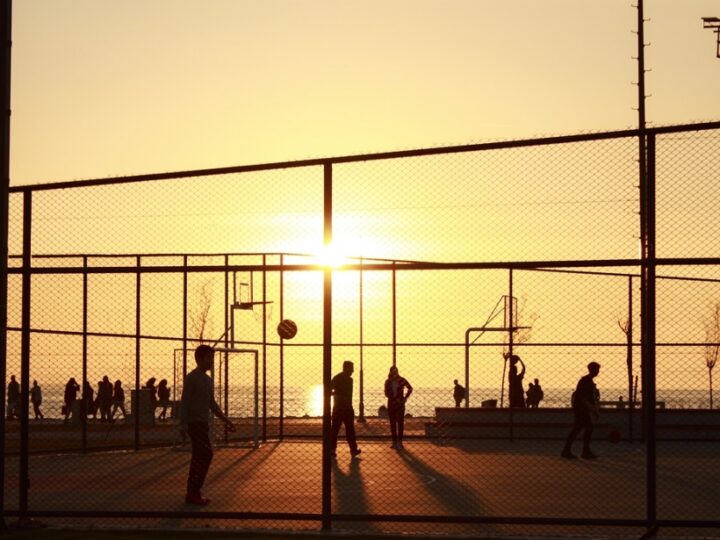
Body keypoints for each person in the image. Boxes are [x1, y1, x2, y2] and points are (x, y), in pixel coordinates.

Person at [180, 345, 236, 505]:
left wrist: (226, 420)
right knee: (205, 454)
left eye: (212, 358)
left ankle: (193, 492)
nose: (211, 361)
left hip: (203, 424)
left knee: (200, 456)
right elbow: (185, 402)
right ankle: (193, 491)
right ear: (199, 359)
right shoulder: (191, 378)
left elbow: (212, 403)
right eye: (209, 358)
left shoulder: (208, 380)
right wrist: (183, 424)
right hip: (194, 423)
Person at [562, 361, 601, 460]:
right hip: (581, 408)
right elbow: (582, 398)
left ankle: (583, 451)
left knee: (584, 428)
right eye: (597, 369)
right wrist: (593, 409)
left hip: (583, 408)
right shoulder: (585, 380)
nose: (598, 372)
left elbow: (589, 398)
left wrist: (593, 409)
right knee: (579, 428)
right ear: (591, 370)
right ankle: (576, 451)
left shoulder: (589, 381)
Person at [330, 360, 361, 458]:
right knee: (335, 429)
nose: (353, 370)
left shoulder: (350, 380)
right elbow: (328, 390)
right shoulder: (337, 378)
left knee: (350, 430)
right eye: (351, 368)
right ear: (346, 368)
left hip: (347, 408)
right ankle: (332, 449)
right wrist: (338, 395)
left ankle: (353, 449)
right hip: (339, 408)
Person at [384, 366, 413, 450]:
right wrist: (394, 398)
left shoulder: (402, 380)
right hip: (392, 403)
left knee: (400, 423)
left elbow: (410, 388)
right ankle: (394, 442)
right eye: (393, 371)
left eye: (395, 371)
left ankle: (400, 442)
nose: (394, 373)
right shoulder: (388, 381)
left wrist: (405, 398)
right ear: (390, 372)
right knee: (392, 423)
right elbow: (386, 393)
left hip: (400, 403)